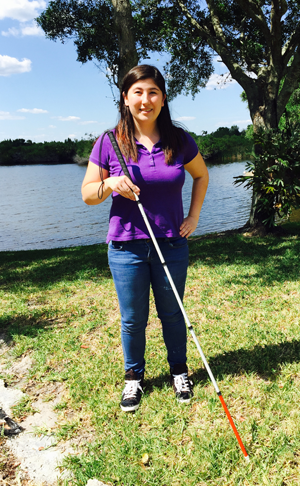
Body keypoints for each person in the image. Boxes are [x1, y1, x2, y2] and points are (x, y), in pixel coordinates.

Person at [81, 64, 209, 412]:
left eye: (153, 92)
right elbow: (88, 194)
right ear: (125, 98)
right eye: (137, 92)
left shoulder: (179, 140)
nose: (145, 99)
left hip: (170, 243)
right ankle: (134, 378)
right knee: (133, 318)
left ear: (163, 99)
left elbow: (201, 176)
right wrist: (110, 184)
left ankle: (179, 371)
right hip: (126, 246)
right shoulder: (109, 142)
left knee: (173, 313)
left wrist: (194, 216)